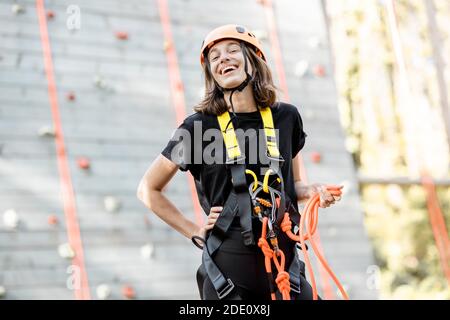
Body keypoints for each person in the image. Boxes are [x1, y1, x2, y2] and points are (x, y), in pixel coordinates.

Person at [137, 24, 342, 300]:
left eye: (233, 50)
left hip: (284, 267)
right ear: (212, 73)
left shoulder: (286, 118)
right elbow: (148, 189)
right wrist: (195, 232)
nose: (224, 58)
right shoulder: (197, 128)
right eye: (215, 57)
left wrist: (313, 192)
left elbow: (293, 185)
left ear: (252, 62)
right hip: (229, 273)